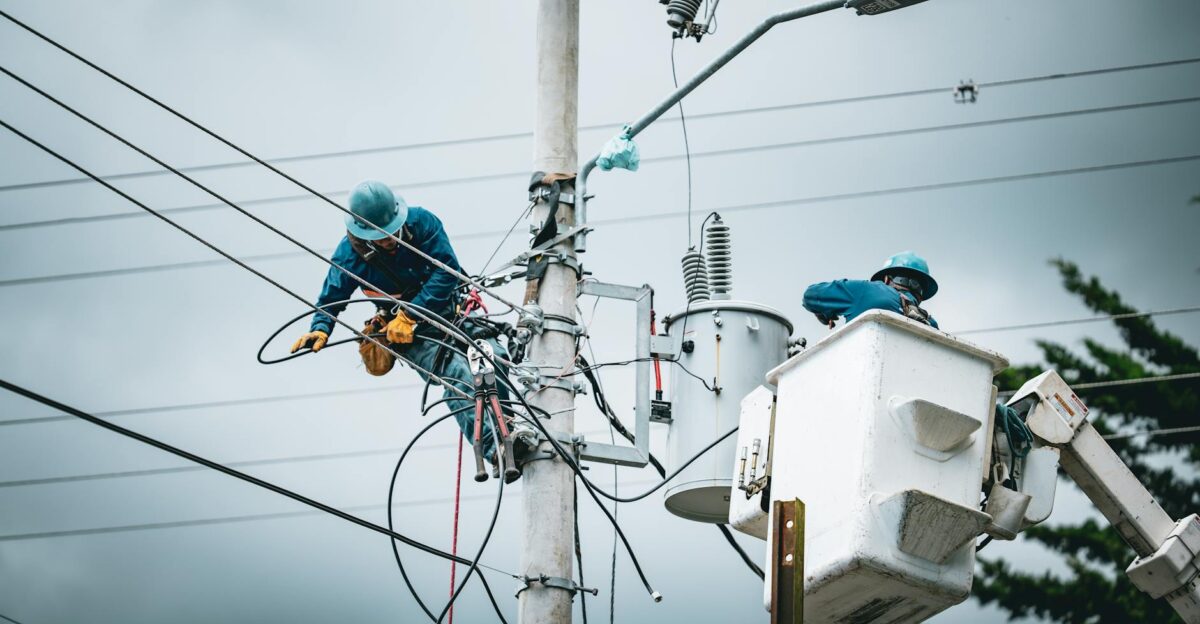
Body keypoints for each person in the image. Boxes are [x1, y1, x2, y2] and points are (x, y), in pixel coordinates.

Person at [290, 180, 508, 467]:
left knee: (495, 357)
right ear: (364, 234)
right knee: (457, 377)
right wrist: (320, 327)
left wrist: (412, 312)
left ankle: (510, 427)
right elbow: (332, 297)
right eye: (382, 236)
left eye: (393, 231)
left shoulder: (422, 223)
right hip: (408, 334)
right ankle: (496, 451)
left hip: (453, 309)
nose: (390, 239)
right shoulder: (349, 256)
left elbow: (447, 272)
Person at [802, 251, 939, 329]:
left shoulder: (867, 291)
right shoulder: (931, 325)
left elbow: (811, 295)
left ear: (885, 279)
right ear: (921, 295)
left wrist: (825, 311)